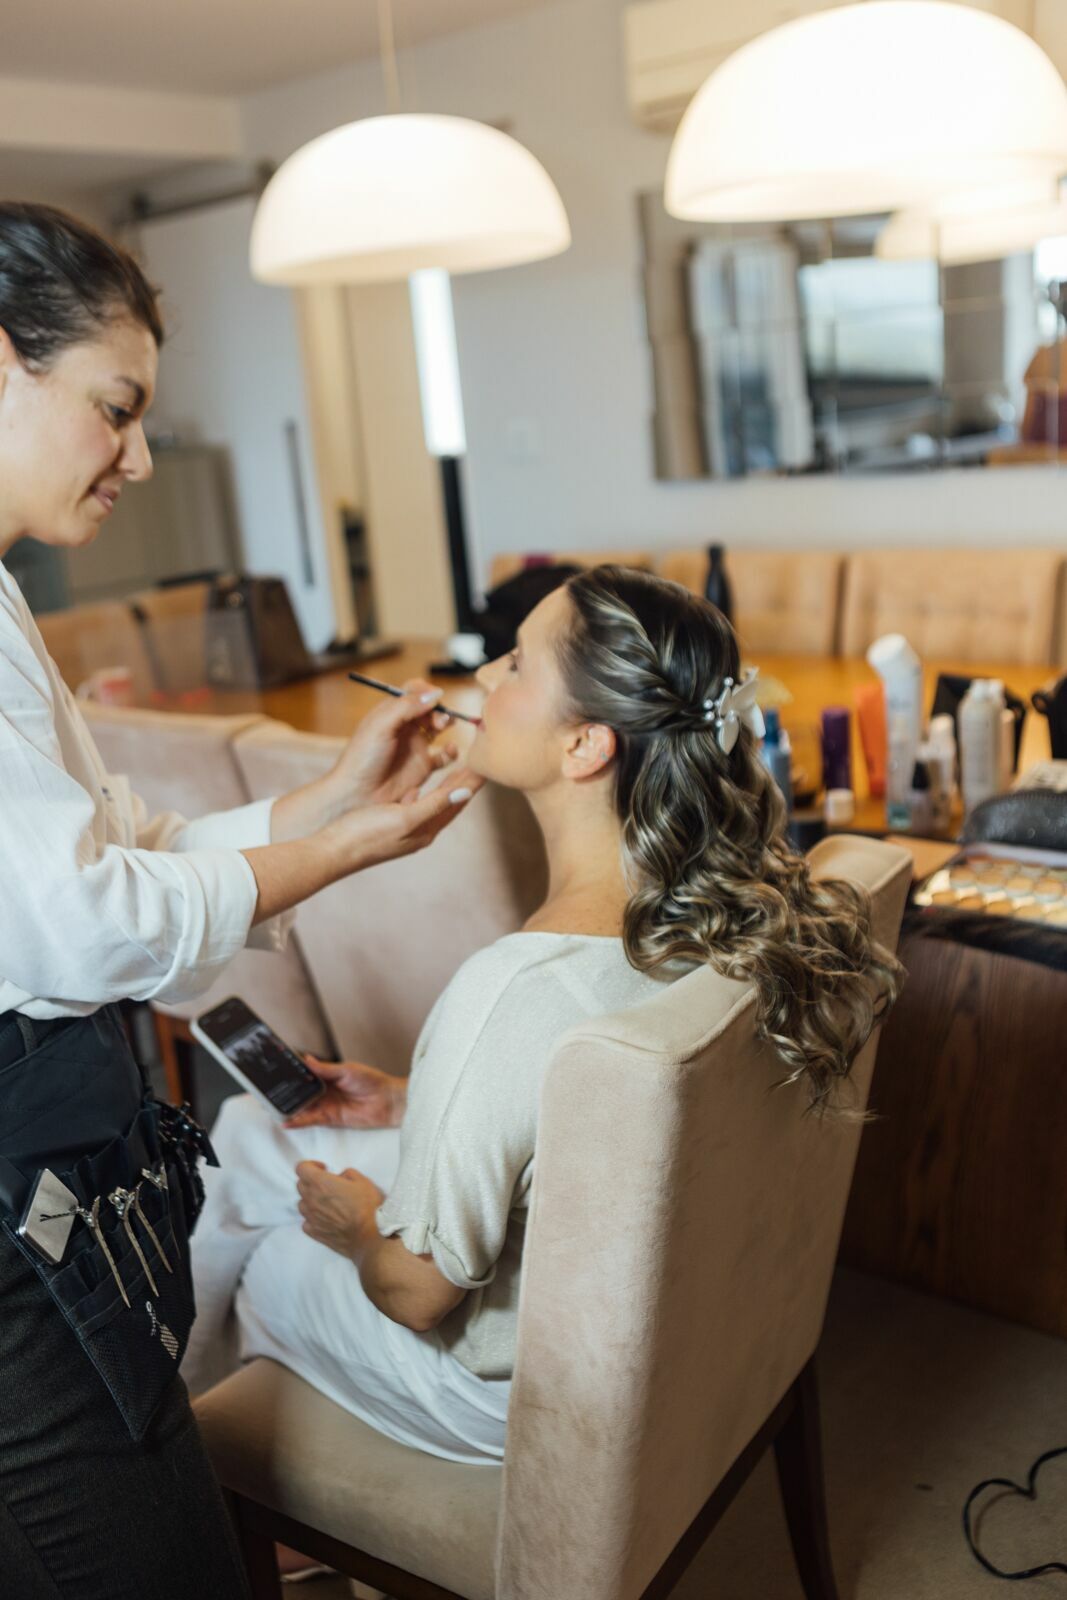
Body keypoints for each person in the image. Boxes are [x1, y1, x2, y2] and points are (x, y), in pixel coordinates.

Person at [0, 201, 482, 1600]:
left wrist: (331, 800)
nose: (140, 456)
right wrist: (345, 854)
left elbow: (127, 842)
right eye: (116, 407)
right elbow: (82, 922)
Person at [185, 563, 902, 1469]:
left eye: (516, 664)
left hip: (512, 1388)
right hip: (669, 1317)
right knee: (251, 1125)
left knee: (254, 1246)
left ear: (584, 747)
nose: (483, 678)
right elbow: (605, 1101)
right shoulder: (722, 906)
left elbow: (416, 1295)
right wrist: (415, 1098)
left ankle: (214, 1477)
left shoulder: (516, 991)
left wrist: (358, 1230)